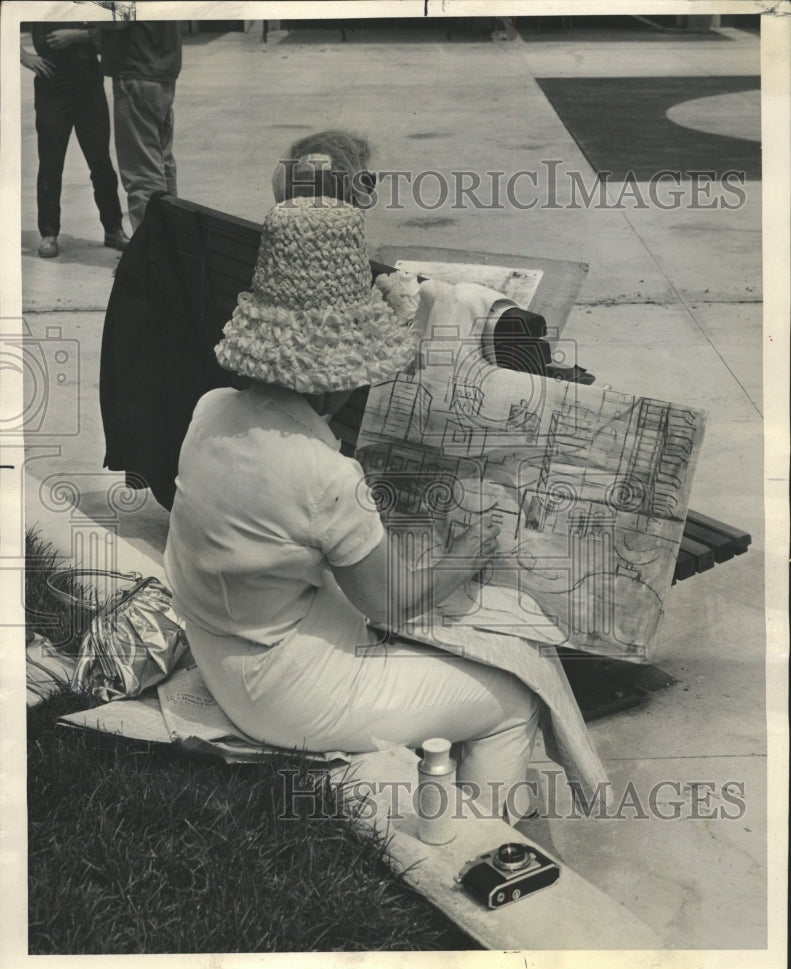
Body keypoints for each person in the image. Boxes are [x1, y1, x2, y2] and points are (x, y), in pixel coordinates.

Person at [164, 194, 607, 821]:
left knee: (470, 640)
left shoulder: (212, 411)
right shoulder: (323, 474)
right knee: (514, 697)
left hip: (223, 647)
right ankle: (484, 847)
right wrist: (473, 548)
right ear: (340, 371)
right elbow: (391, 601)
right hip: (286, 692)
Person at [20, 23, 129, 259]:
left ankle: (113, 229)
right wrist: (24, 57)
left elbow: (115, 27)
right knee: (51, 163)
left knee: (100, 161)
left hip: (89, 81)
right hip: (52, 82)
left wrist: (79, 36)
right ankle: (48, 233)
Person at [90, 20, 182, 232]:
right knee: (161, 163)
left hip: (137, 70)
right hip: (162, 71)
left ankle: (150, 256)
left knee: (142, 172)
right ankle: (171, 244)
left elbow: (116, 17)